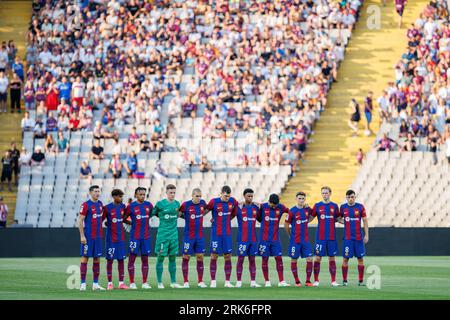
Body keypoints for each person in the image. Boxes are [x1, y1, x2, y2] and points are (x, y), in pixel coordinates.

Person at [205, 185, 239, 288]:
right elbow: (204, 212)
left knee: (227, 256)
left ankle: (227, 281)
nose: (227, 198)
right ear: (221, 194)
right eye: (225, 196)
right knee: (214, 256)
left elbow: (234, 214)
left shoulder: (233, 201)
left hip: (227, 233)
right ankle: (213, 281)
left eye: (228, 196)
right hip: (216, 233)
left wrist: (228, 219)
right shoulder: (213, 202)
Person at [152, 184, 183, 289]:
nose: (172, 194)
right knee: (160, 258)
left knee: (173, 258)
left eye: (174, 192)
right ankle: (160, 282)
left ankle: (173, 282)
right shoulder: (160, 204)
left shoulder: (177, 204)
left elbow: (180, 214)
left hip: (174, 235)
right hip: (163, 235)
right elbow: (153, 213)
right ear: (166, 193)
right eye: (171, 192)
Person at [257, 193, 290, 287]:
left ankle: (281, 281)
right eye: (273, 205)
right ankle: (267, 281)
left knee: (279, 258)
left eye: (276, 205)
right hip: (264, 239)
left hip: (275, 239)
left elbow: (291, 212)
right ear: (269, 202)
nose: (274, 207)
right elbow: (257, 217)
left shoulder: (281, 207)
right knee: (265, 259)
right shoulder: (262, 207)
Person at [337, 190, 369, 286]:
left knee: (360, 259)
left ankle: (360, 281)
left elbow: (365, 221)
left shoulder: (360, 207)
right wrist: (344, 222)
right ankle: (345, 281)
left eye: (352, 197)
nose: (350, 199)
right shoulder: (343, 207)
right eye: (348, 197)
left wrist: (367, 235)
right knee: (345, 259)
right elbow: (337, 218)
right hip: (348, 239)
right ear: (346, 198)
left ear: (355, 197)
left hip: (359, 238)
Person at [123, 187, 154, 289]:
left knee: (145, 259)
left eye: (144, 194)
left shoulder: (149, 205)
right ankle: (132, 283)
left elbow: (149, 215)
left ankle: (145, 282)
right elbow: (123, 219)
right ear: (136, 195)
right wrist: (131, 223)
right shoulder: (131, 206)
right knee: (132, 259)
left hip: (145, 237)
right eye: (140, 194)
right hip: (135, 237)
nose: (142, 196)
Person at [310, 186, 341, 287]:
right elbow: (310, 218)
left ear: (330, 193)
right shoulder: (317, 205)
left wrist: (352, 222)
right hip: (320, 237)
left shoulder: (335, 206)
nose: (324, 195)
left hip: (331, 237)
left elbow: (339, 219)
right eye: (323, 193)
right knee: (317, 258)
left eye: (326, 193)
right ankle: (316, 280)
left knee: (332, 259)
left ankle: (333, 281)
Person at [78, 185, 105, 291]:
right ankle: (83, 284)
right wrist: (82, 235)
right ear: (90, 192)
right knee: (85, 258)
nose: (97, 193)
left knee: (97, 259)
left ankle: (95, 284)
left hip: (98, 237)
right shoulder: (85, 205)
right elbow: (80, 220)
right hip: (88, 237)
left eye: (99, 191)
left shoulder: (100, 204)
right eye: (95, 191)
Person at [284, 192, 315, 287]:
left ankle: (308, 281)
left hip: (305, 240)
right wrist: (290, 235)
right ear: (296, 199)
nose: (301, 200)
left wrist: (307, 220)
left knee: (309, 259)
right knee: (294, 259)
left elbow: (312, 216)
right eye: (300, 198)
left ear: (305, 199)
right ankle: (297, 281)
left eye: (303, 198)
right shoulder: (292, 211)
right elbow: (286, 224)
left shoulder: (307, 209)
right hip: (295, 240)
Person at [179, 188, 208, 288]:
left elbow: (207, 210)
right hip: (189, 236)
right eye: (197, 196)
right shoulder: (185, 205)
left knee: (200, 257)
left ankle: (200, 281)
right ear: (192, 195)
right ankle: (186, 282)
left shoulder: (203, 203)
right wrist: (186, 216)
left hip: (199, 236)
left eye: (200, 196)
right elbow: (178, 214)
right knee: (186, 257)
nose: (199, 198)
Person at [102, 189, 130, 290]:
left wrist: (130, 223)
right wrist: (106, 223)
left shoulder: (123, 207)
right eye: (120, 196)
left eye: (122, 196)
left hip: (121, 239)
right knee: (110, 260)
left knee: (121, 260)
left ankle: (121, 283)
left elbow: (125, 218)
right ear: (114, 197)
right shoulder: (107, 208)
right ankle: (110, 283)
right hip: (111, 239)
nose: (121, 198)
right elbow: (101, 220)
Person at [235, 188, 261, 288]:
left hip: (253, 239)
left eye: (251, 196)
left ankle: (253, 282)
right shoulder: (238, 207)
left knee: (252, 260)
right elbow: (229, 215)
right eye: (248, 196)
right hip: (242, 238)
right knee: (240, 259)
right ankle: (238, 281)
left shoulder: (256, 208)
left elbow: (261, 219)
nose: (250, 198)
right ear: (244, 196)